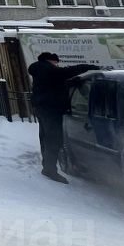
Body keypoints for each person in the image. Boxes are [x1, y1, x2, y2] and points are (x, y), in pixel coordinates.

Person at [28, 51, 99, 183]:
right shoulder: (47, 69)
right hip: (51, 110)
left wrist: (71, 82)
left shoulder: (40, 70)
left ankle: (47, 166)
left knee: (45, 138)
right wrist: (89, 66)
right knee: (53, 139)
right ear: (50, 61)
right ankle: (50, 170)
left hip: (42, 109)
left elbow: (53, 84)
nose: (57, 65)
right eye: (56, 63)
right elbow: (66, 72)